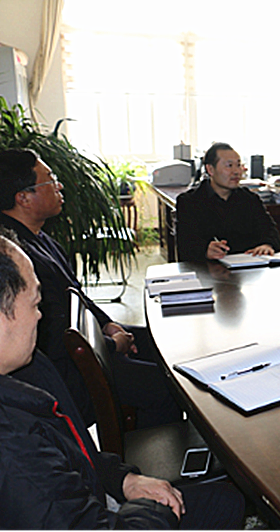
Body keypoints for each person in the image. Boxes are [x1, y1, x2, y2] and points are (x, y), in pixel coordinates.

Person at [0, 233, 245, 530]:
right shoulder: (13, 450)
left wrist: (123, 478)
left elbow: (73, 453)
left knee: (224, 500)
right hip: (104, 515)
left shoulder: (29, 368)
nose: (41, 316)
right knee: (224, 503)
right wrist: (154, 509)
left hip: (90, 494)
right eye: (35, 304)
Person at [0, 149, 182, 427]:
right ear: (23, 198)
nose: (60, 186)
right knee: (166, 386)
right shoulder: (16, 257)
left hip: (87, 344)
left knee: (162, 342)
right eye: (51, 180)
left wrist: (108, 324)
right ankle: (155, 448)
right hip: (69, 371)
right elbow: (52, 337)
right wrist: (112, 345)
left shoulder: (40, 237)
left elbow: (76, 294)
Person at [176, 142, 280, 262]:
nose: (236, 171)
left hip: (248, 268)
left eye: (238, 165)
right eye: (229, 165)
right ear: (210, 169)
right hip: (208, 269)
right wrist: (204, 250)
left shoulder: (249, 199)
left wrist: (267, 245)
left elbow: (269, 230)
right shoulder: (189, 202)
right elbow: (185, 246)